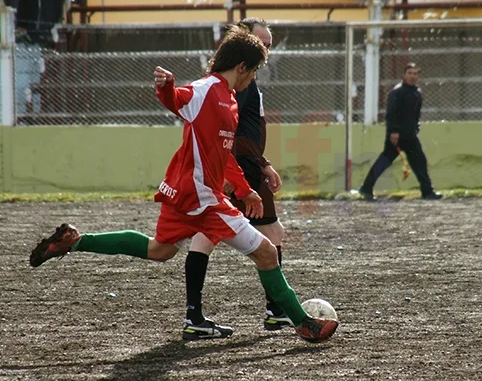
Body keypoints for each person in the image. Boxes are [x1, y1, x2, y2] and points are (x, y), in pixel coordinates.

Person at [29, 26, 338, 343]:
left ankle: (76, 241)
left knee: (159, 249)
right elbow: (179, 98)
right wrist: (167, 86)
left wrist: (244, 190)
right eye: (255, 69)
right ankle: (303, 323)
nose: (254, 76)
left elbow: (222, 154)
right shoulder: (207, 90)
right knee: (268, 253)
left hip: (185, 193)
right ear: (242, 67)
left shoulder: (229, 100)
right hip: (202, 197)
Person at [226, 18, 291, 331]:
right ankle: (276, 309)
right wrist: (262, 163)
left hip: (244, 165)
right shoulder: (240, 83)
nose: (267, 50)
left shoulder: (247, 80)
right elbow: (234, 133)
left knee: (193, 240)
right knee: (273, 234)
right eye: (262, 44)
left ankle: (193, 314)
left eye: (269, 45)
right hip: (245, 167)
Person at [358, 63, 442, 201]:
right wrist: (393, 131)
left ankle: (427, 191)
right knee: (384, 162)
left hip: (410, 135)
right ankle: (366, 188)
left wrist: (415, 128)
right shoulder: (397, 92)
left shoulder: (417, 93)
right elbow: (391, 114)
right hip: (396, 136)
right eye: (410, 73)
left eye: (415, 74)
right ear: (404, 75)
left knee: (420, 162)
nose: (413, 76)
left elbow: (415, 114)